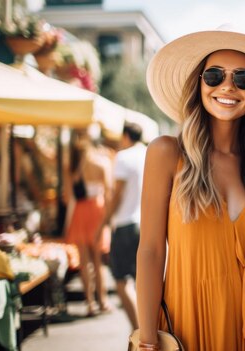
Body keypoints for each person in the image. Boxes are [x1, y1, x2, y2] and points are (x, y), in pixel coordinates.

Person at [136, 27, 245, 351]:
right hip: (190, 327)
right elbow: (151, 251)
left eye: (242, 78)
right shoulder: (167, 153)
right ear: (199, 83)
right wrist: (146, 339)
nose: (227, 85)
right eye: (214, 75)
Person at [100, 122, 146, 329]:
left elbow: (117, 193)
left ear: (126, 136)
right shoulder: (148, 153)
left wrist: (105, 221)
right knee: (145, 282)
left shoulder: (124, 157)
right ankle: (149, 328)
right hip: (147, 223)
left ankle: (139, 331)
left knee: (121, 281)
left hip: (126, 224)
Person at [65, 128, 112, 316]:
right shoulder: (101, 163)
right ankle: (103, 301)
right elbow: (109, 193)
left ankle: (90, 303)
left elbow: (68, 197)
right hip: (97, 210)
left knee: (84, 261)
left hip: (80, 212)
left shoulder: (72, 167)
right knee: (98, 261)